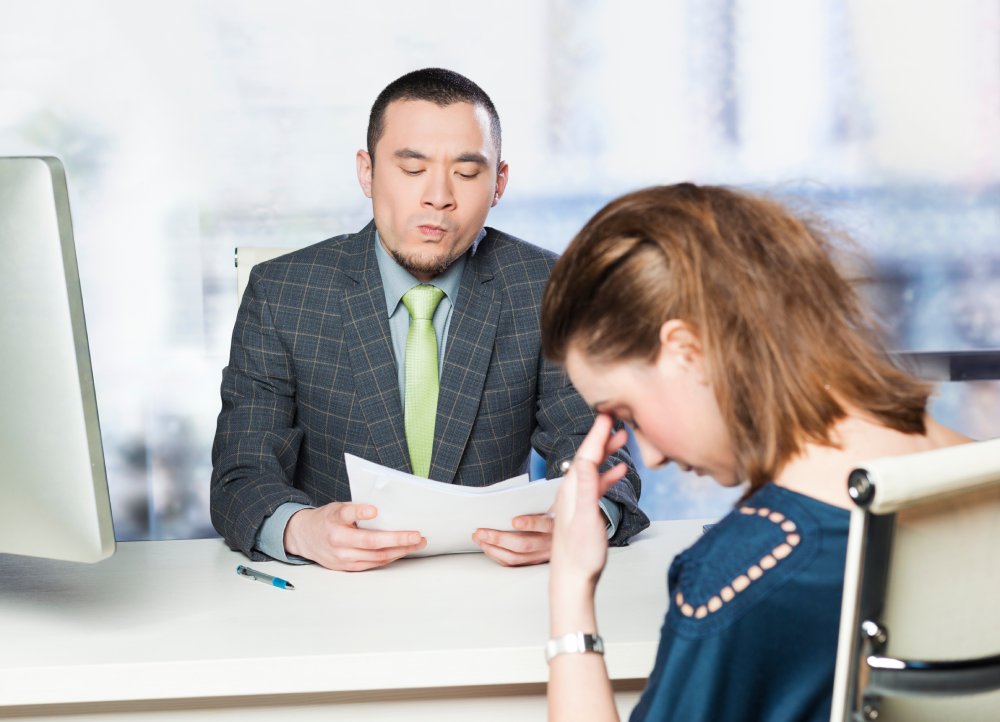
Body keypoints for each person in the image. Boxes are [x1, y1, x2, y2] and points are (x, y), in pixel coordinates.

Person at [539, 184, 969, 721]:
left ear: (686, 350)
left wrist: (571, 588)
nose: (647, 456)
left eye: (626, 413)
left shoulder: (746, 572)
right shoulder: (978, 473)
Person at [210, 68, 648, 572]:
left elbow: (594, 445)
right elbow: (240, 474)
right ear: (367, 172)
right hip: (334, 594)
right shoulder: (282, 292)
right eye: (412, 170)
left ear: (499, 183)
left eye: (466, 173)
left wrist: (581, 519)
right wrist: (299, 529)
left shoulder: (550, 287)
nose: (438, 196)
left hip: (494, 585)